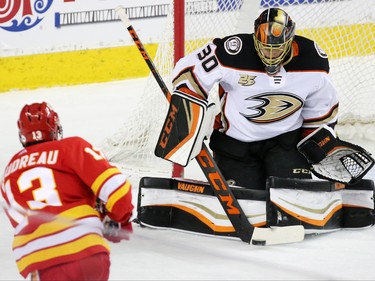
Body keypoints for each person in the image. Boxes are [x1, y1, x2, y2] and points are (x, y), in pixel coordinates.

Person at [168, 7, 340, 189]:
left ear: (290, 41)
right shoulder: (233, 52)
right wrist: (191, 114)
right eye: (266, 48)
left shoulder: (312, 60)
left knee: (294, 200)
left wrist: (322, 148)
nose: (271, 54)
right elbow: (187, 71)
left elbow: (322, 108)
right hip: (235, 146)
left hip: (287, 144)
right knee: (244, 202)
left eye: (277, 48)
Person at [0, 102, 133, 280]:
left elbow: (23, 222)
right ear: (55, 128)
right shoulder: (71, 147)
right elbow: (118, 190)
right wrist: (119, 220)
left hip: (42, 262)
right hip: (89, 254)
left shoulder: (10, 170)